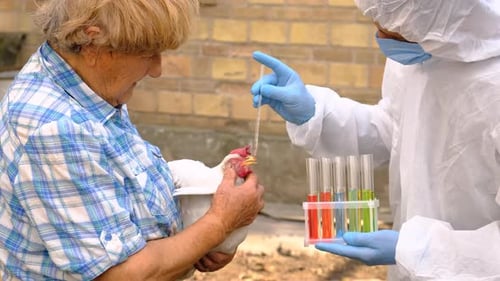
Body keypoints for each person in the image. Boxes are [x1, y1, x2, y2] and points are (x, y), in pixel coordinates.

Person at [0, 0, 265, 280]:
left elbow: (126, 192)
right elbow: (120, 275)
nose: (157, 69)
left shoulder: (86, 87)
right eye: (148, 53)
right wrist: (220, 223)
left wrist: (200, 238)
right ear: (93, 42)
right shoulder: (57, 129)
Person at [250, 0, 500, 279]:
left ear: (440, 20)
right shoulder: (420, 53)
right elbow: (394, 132)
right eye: (377, 22)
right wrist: (315, 112)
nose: (381, 36)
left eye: (394, 29)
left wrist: (421, 250)